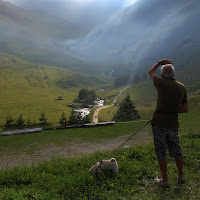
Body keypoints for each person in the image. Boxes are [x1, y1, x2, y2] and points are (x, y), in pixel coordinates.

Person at [148, 59, 188, 187]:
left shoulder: (160, 83)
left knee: (161, 150)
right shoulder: (182, 87)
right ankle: (181, 176)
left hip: (159, 122)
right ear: (174, 74)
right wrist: (173, 109)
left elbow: (151, 71)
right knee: (176, 149)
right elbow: (185, 109)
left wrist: (160, 62)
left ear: (162, 75)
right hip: (173, 123)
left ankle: (165, 180)